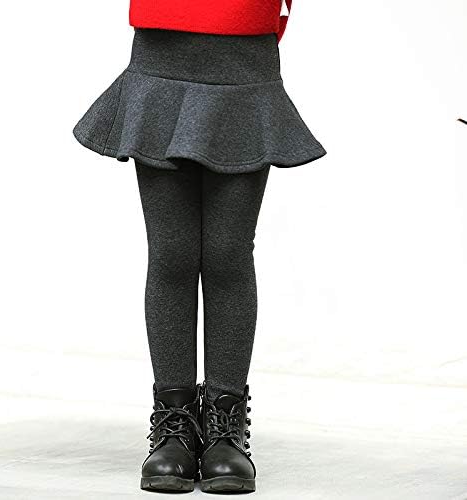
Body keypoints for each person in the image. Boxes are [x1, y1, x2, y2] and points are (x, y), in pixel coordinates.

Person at [73, 0, 326, 493]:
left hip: (244, 55)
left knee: (228, 255)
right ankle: (175, 426)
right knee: (172, 254)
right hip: (162, 49)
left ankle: (224, 426)